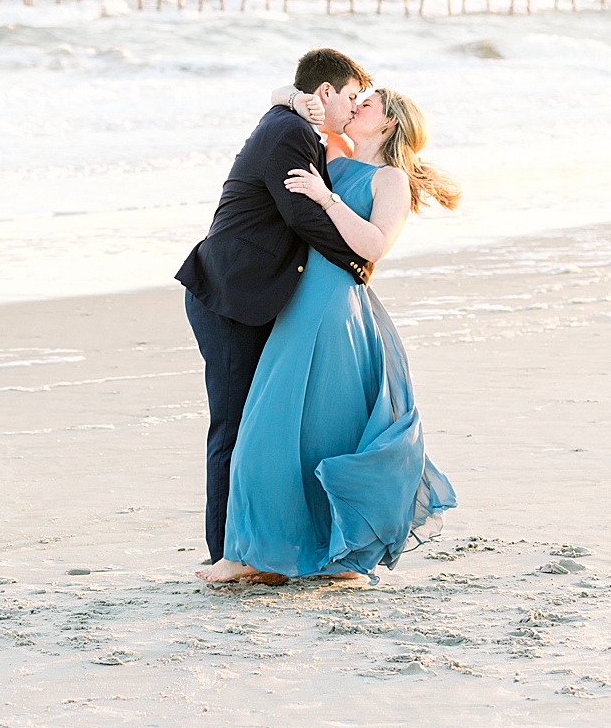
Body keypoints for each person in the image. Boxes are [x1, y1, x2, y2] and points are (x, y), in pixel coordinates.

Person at [195, 85, 460, 583]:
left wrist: (326, 198)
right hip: (296, 303)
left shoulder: (391, 180)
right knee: (270, 434)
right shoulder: (330, 156)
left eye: (370, 103)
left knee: (311, 433)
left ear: (388, 123)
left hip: (335, 306)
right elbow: (280, 95)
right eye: (358, 98)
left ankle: (329, 554)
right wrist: (294, 100)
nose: (358, 104)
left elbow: (374, 245)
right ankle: (262, 555)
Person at [175, 48, 375, 579]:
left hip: (260, 296)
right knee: (235, 427)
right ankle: (226, 554)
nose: (354, 108)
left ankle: (260, 548)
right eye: (351, 97)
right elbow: (304, 218)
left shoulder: (294, 124)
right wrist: (361, 261)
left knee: (264, 427)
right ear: (325, 93)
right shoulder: (288, 131)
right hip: (229, 296)